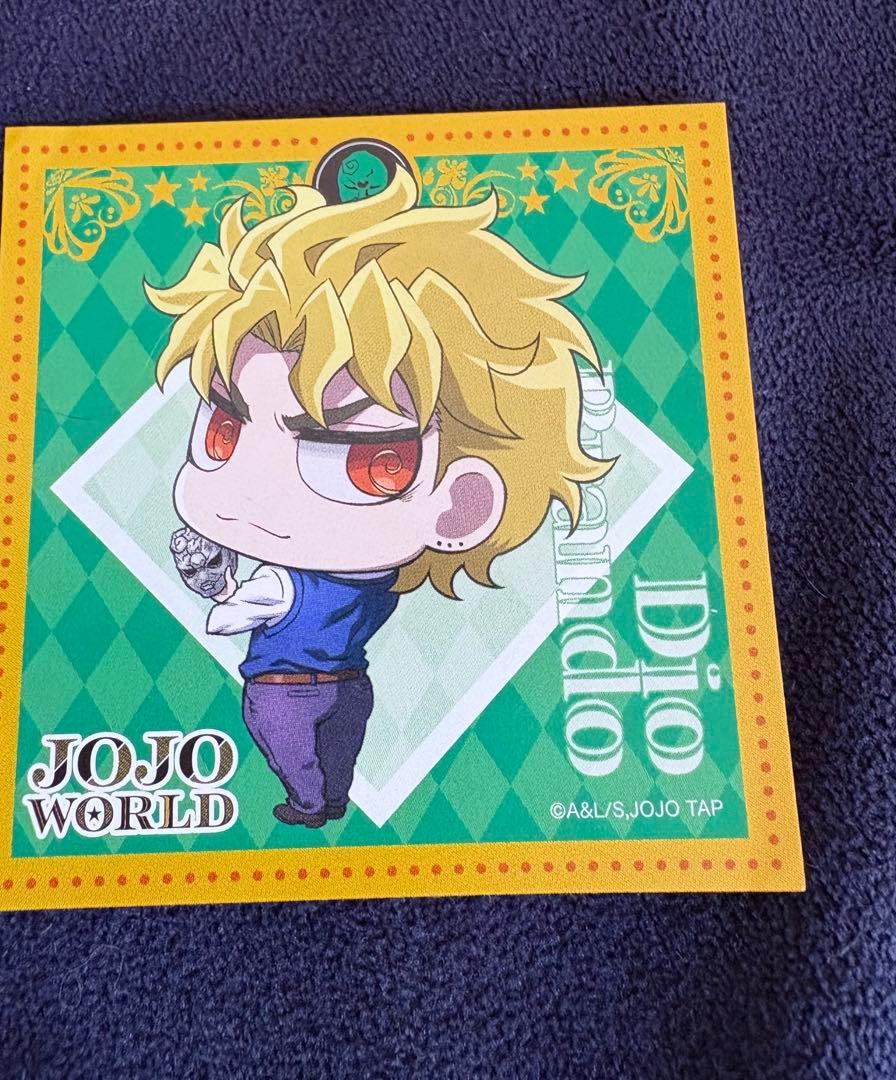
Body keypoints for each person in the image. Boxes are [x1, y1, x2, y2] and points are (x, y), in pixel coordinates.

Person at [148, 166, 612, 826]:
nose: (247, 495)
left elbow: (225, 618)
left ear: (460, 506)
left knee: (290, 750)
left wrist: (219, 586)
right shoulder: (379, 583)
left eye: (368, 463)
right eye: (224, 429)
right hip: (351, 685)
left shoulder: (281, 583)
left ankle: (310, 803)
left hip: (282, 691)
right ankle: (329, 796)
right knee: (338, 751)